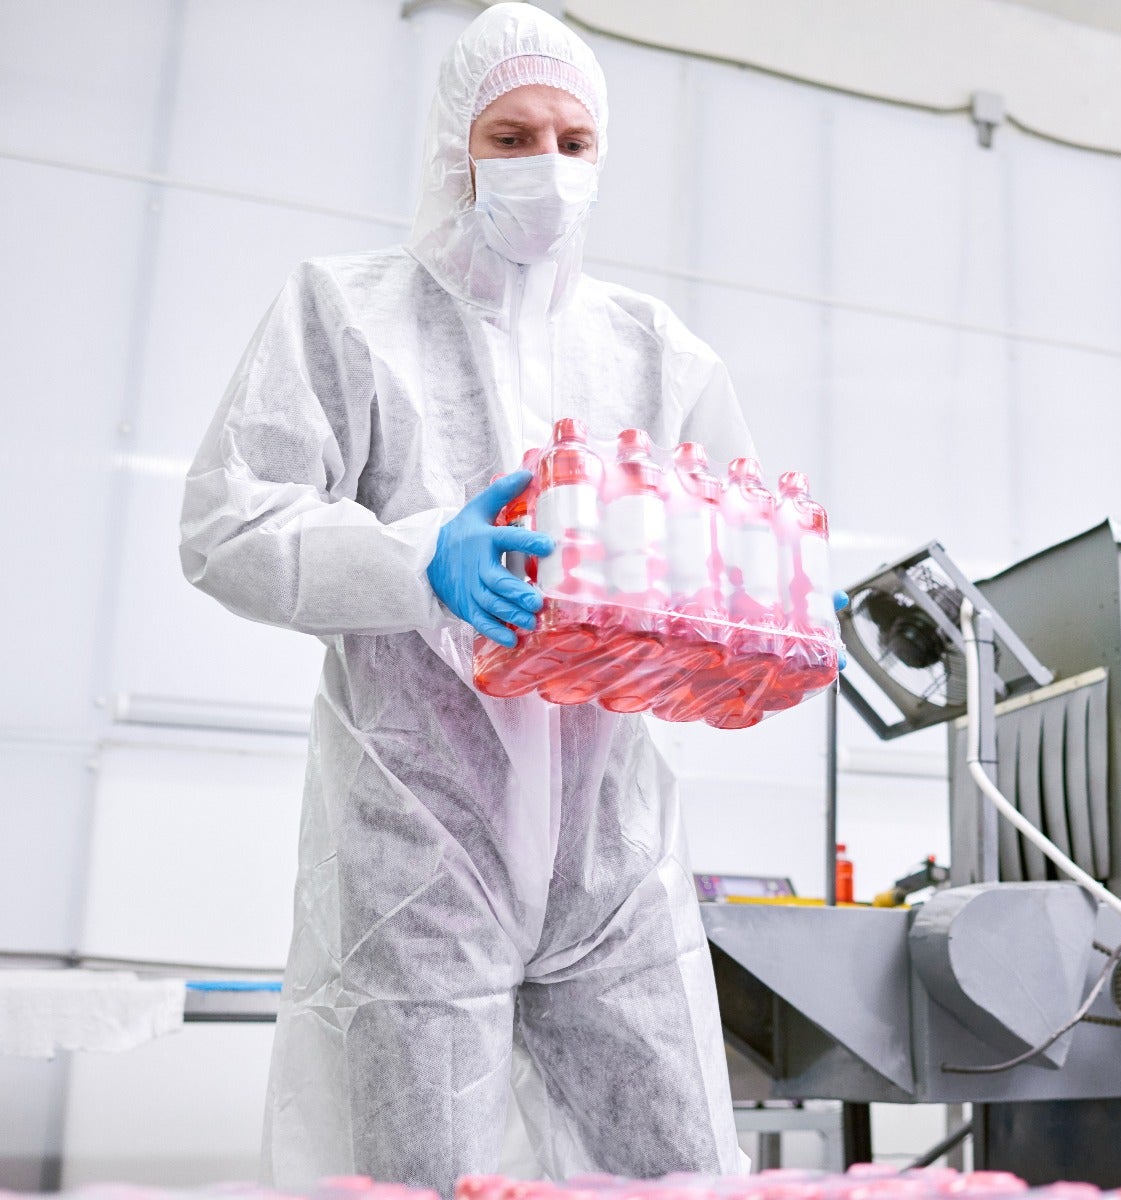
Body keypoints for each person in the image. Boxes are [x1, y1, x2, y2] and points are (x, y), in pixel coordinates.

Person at [179, 4, 749, 1190]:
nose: (547, 164)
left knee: (676, 1168)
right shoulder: (345, 313)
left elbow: (728, 554)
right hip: (420, 844)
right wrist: (414, 558)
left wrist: (755, 630)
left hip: (613, 854)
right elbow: (228, 520)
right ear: (455, 148)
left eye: (573, 141)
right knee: (415, 1175)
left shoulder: (659, 353)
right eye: (512, 134)